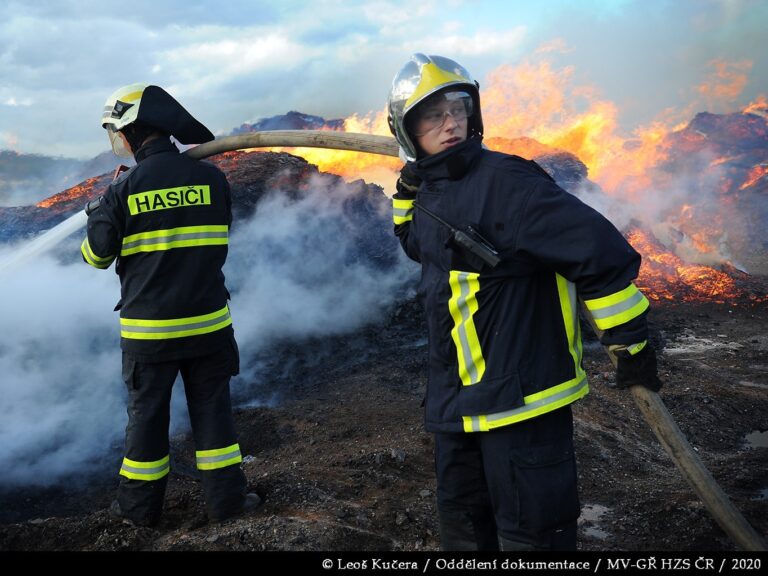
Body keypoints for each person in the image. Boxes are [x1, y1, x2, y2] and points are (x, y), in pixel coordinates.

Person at [387, 54, 662, 551]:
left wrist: (630, 341)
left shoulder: (510, 183)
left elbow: (598, 252)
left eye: (458, 109)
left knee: (532, 538)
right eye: (432, 116)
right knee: (465, 533)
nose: (451, 123)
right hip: (455, 405)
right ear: (407, 131)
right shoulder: (431, 191)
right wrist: (407, 191)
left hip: (523, 405)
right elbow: (416, 242)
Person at [81, 83, 260, 526]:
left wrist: (101, 211)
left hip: (150, 336)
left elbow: (96, 257)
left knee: (146, 424)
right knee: (214, 418)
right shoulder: (212, 179)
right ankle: (228, 505)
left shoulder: (123, 190)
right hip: (209, 328)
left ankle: (138, 515)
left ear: (133, 132)